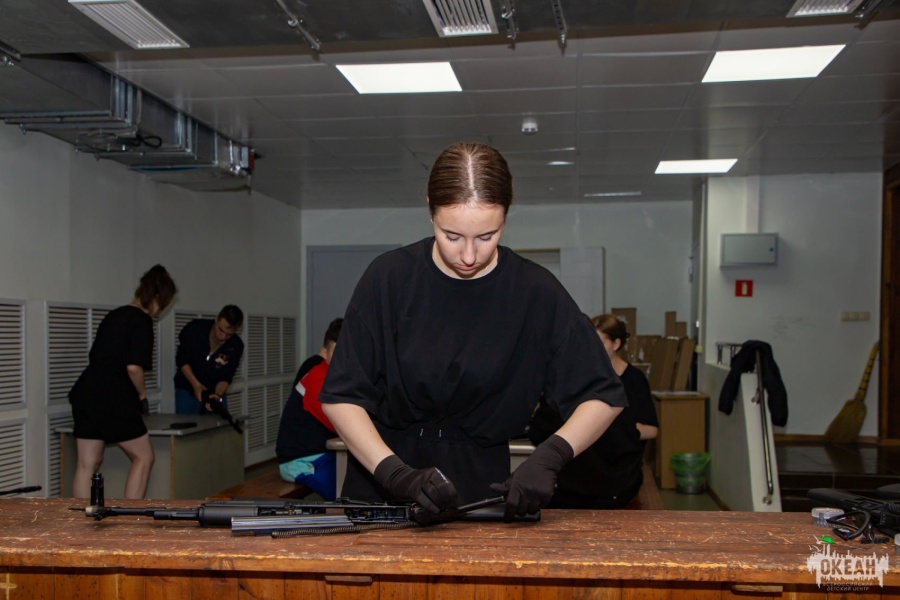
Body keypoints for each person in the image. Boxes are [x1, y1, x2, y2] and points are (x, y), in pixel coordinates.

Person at [319, 142, 627, 519]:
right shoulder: (389, 278)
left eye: (486, 236)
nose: (468, 256)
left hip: (481, 492)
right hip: (383, 481)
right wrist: (395, 474)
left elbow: (603, 395)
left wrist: (552, 455)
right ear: (430, 208)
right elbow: (341, 396)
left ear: (506, 216)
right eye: (452, 236)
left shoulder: (535, 292)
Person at [68, 264, 178, 499]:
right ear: (157, 298)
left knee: (88, 462)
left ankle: (79, 518)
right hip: (112, 396)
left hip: (86, 391)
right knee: (144, 457)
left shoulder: (114, 315)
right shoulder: (142, 321)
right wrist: (142, 394)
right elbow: (133, 367)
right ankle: (130, 514)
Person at [529, 314, 659, 509]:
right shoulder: (578, 381)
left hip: (606, 487)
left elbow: (650, 429)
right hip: (583, 487)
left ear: (616, 344)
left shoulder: (630, 381)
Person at [275, 318, 343, 500]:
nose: (343, 361)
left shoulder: (338, 378)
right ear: (324, 353)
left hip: (325, 454)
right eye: (337, 354)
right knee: (343, 492)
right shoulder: (317, 378)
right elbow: (344, 426)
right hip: (300, 459)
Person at [174, 305, 244, 415]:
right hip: (187, 389)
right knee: (186, 423)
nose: (223, 336)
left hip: (214, 391)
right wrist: (196, 385)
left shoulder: (236, 346)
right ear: (216, 319)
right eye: (221, 330)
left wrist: (218, 395)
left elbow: (227, 376)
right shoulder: (194, 329)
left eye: (229, 334)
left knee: (219, 423)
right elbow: (182, 360)